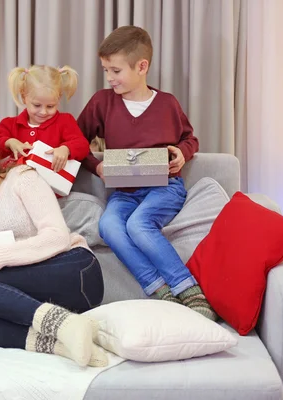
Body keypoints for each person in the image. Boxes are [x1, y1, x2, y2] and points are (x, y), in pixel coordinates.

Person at [0, 115, 107, 367]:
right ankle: (61, 339)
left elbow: (57, 236)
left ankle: (62, 326)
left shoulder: (21, 177)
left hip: (75, 271)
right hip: (20, 297)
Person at [77, 26, 216, 320]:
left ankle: (189, 289)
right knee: (110, 226)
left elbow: (190, 139)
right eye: (106, 70)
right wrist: (96, 165)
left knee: (139, 225)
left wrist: (182, 153)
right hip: (124, 192)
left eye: (115, 70)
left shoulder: (167, 104)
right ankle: (161, 292)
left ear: (142, 67)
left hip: (165, 187)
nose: (110, 77)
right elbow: (77, 142)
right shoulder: (102, 102)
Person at [0, 65, 90, 173]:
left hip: (50, 185)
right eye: (37, 105)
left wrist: (66, 149)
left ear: (59, 99)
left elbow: (82, 145)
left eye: (50, 106)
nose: (43, 112)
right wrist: (8, 142)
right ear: (24, 97)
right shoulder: (9, 124)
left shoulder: (65, 121)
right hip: (14, 183)